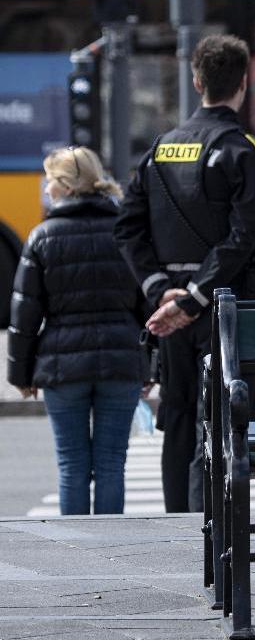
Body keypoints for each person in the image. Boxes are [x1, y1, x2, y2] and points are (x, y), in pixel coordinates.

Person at [115, 35, 255, 513]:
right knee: (227, 422)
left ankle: (178, 526)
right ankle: (220, 530)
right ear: (243, 83)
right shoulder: (246, 150)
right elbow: (240, 238)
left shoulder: (160, 149)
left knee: (180, 418)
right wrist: (195, 298)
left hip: (171, 317)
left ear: (196, 80)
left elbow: (128, 228)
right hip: (223, 309)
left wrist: (162, 291)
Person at [7, 147, 148, 515]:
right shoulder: (126, 233)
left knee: (72, 466)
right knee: (111, 464)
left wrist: (20, 374)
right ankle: (109, 551)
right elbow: (147, 306)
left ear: (67, 186)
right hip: (121, 362)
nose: (46, 188)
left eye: (51, 180)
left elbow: (24, 317)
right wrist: (150, 364)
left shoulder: (42, 237)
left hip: (61, 366)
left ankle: (77, 548)